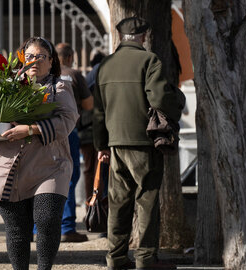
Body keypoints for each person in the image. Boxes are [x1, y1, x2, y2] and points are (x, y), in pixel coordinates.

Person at [0, 37, 78, 270]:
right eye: (29, 56)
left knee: (47, 218)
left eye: (40, 57)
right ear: (21, 59)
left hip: (49, 165)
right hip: (7, 165)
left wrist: (31, 129)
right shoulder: (2, 86)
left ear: (51, 62)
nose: (34, 61)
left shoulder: (60, 87)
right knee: (17, 227)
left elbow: (68, 121)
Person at [93, 17, 183, 270]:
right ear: (143, 35)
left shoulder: (106, 65)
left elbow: (98, 112)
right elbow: (160, 98)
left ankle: (116, 257)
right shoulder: (150, 60)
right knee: (147, 200)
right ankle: (145, 258)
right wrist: (177, 105)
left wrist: (101, 145)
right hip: (143, 141)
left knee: (118, 202)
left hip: (114, 142)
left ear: (121, 36)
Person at [54, 42, 93, 242]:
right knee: (69, 176)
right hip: (69, 130)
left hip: (44, 130)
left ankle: (37, 228)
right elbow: (88, 104)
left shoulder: (46, 74)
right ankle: (67, 227)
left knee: (42, 176)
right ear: (70, 57)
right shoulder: (75, 75)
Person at [82, 49, 107, 211]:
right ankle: (100, 210)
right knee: (102, 172)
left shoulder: (88, 76)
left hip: (85, 131)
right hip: (96, 131)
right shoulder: (101, 72)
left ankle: (91, 208)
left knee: (90, 171)